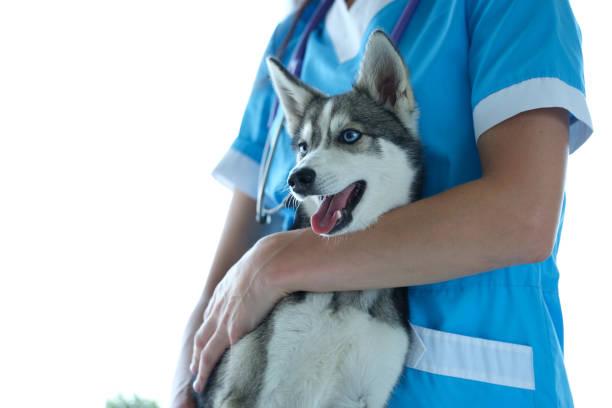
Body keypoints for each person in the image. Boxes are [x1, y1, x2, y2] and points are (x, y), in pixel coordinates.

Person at [170, 0, 592, 406]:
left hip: (474, 388)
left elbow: (521, 217)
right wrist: (184, 392)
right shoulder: (293, 41)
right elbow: (224, 288)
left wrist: (276, 264)